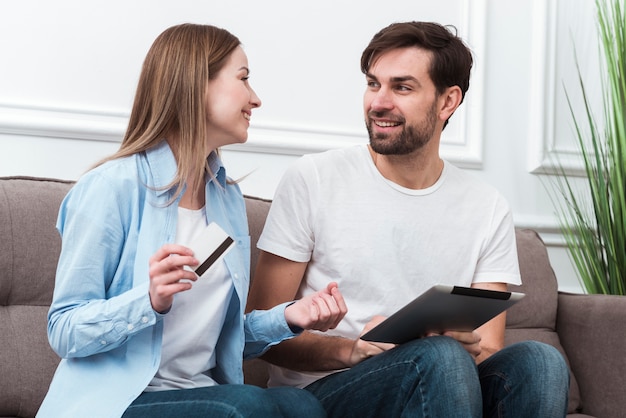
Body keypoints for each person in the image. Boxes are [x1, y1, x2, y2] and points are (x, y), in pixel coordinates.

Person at [246, 21, 570, 417]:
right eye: (372, 84)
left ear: (448, 102)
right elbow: (263, 334)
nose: (378, 102)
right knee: (438, 357)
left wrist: (461, 342)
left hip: (440, 379)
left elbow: (488, 348)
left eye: (402, 87)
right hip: (328, 393)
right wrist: (354, 350)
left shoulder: (487, 206)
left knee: (540, 362)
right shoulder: (313, 178)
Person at [37, 23, 347, 418]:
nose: (256, 99)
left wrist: (287, 318)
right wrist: (148, 300)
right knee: (247, 405)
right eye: (244, 79)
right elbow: (63, 330)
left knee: (301, 404)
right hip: (118, 402)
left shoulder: (225, 198)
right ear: (196, 83)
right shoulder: (110, 187)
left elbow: (220, 339)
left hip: (201, 394)